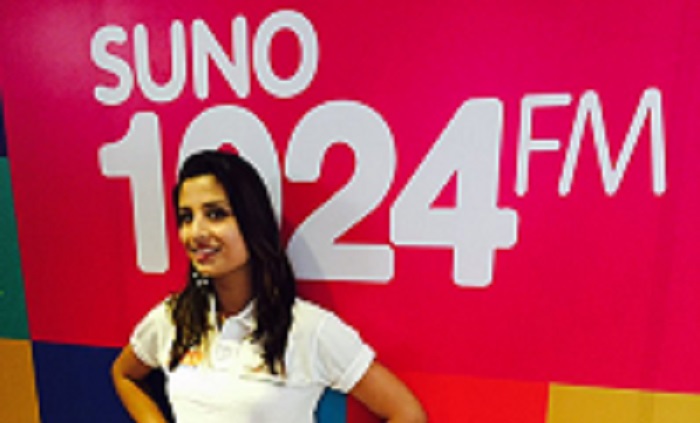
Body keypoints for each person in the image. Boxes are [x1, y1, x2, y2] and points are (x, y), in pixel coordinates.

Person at [112, 150, 426, 423]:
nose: (196, 232)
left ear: (252, 220)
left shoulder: (308, 329)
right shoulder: (173, 318)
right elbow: (124, 374)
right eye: (186, 217)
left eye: (216, 214)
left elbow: (407, 414)